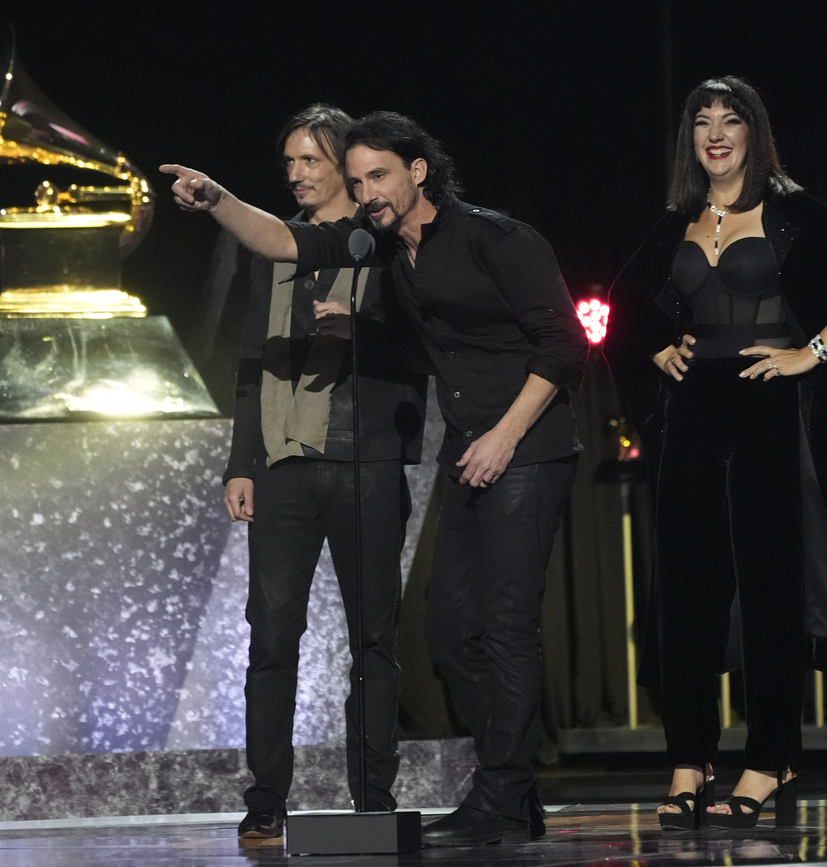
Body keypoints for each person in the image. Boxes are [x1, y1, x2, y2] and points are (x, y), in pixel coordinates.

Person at [161, 110, 589, 847]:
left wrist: (503, 433)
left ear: (417, 170)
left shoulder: (493, 238)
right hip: (461, 451)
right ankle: (508, 783)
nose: (367, 192)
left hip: (519, 444)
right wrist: (217, 199)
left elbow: (563, 343)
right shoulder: (381, 247)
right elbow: (283, 243)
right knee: (450, 630)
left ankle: (496, 792)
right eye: (357, 182)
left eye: (376, 176)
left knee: (502, 625)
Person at [604, 76, 827, 831]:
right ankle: (688, 760)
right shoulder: (677, 220)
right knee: (685, 594)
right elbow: (620, 310)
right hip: (693, 418)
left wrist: (812, 352)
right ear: (690, 139)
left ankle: (769, 758)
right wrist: (656, 350)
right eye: (703, 122)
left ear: (754, 133)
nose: (716, 133)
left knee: (770, 592)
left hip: (771, 416)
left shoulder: (794, 211)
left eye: (731, 120)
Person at [220, 104, 427, 839]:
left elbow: (422, 344)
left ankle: (372, 799)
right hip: (282, 463)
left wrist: (359, 329)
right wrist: (242, 460)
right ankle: (265, 797)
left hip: (363, 457)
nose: (297, 174)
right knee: (272, 634)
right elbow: (252, 357)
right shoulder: (271, 245)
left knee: (373, 637)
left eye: (310, 160)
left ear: (344, 163)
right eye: (289, 163)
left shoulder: (388, 243)